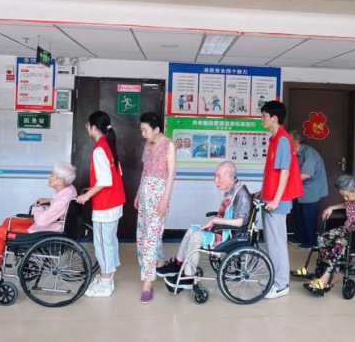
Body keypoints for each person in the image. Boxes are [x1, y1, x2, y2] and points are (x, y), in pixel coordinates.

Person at [0, 162, 78, 288]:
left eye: (52, 175)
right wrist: (49, 200)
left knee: (0, 231)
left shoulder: (63, 199)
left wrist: (38, 208)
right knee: (9, 221)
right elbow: (58, 204)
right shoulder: (69, 189)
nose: (49, 177)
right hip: (52, 225)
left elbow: (42, 221)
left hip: (45, 231)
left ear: (60, 180)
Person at [156, 161, 251, 288]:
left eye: (218, 176)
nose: (215, 180)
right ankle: (178, 264)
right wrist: (216, 222)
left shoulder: (241, 193)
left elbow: (240, 222)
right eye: (215, 176)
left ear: (231, 178)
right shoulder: (231, 189)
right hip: (221, 230)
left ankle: (188, 276)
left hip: (229, 236)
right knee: (192, 229)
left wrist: (216, 220)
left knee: (197, 237)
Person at [305, 175, 355, 296]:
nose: (345, 198)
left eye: (347, 195)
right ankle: (334, 270)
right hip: (349, 229)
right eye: (343, 195)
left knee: (340, 243)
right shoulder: (352, 193)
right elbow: (347, 204)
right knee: (323, 238)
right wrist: (332, 207)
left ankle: (326, 277)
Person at [256, 100, 304, 299]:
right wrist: (262, 192)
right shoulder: (274, 139)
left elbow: (285, 172)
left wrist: (275, 200)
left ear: (274, 118)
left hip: (277, 201)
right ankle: (275, 277)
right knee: (271, 242)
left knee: (278, 244)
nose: (262, 119)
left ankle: (282, 284)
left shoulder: (283, 140)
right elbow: (272, 173)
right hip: (269, 198)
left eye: (264, 116)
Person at [76, 110, 125, 298]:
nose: (87, 127)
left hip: (106, 206)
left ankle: (105, 284)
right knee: (109, 242)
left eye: (88, 125)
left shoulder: (99, 149)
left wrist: (86, 196)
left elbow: (105, 180)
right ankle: (108, 278)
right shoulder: (108, 145)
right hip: (115, 203)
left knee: (103, 245)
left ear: (94, 127)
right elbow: (117, 174)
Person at [133, 112, 176, 303]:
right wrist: (138, 193)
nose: (143, 134)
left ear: (157, 129)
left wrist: (165, 200)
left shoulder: (169, 145)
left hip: (159, 195)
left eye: (145, 130)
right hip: (145, 194)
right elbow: (145, 171)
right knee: (144, 234)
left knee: (151, 237)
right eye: (141, 130)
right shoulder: (148, 144)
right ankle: (158, 263)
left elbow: (171, 174)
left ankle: (147, 283)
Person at [291, 130, 328, 249]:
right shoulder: (295, 152)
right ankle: (299, 237)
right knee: (298, 215)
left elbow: (306, 175)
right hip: (299, 190)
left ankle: (310, 242)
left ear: (296, 141)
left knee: (309, 218)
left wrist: (285, 181)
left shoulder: (309, 153)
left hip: (310, 191)